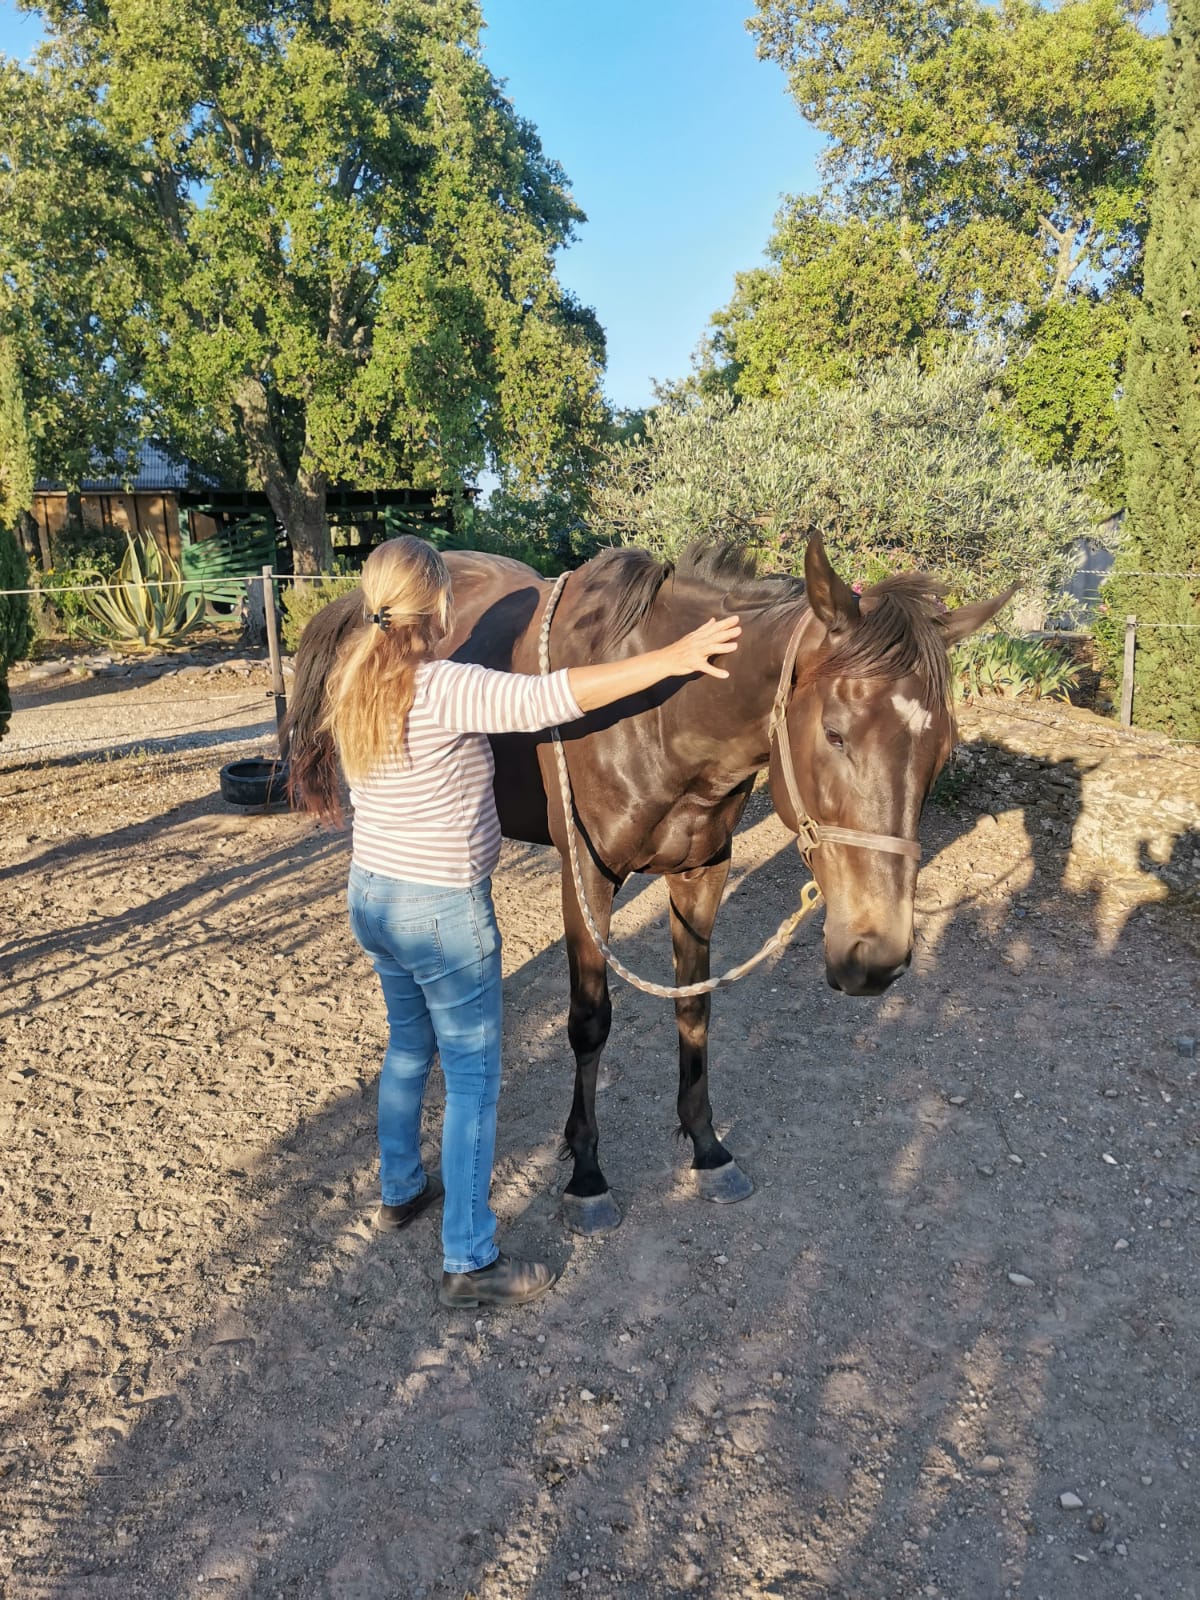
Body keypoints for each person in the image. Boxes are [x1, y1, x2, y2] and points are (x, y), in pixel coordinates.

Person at [312, 536, 740, 1309]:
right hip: (441, 911)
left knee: (409, 1047)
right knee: (474, 1080)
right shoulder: (444, 687)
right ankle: (471, 1260)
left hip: (372, 897)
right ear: (440, 607)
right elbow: (561, 695)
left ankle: (400, 1186)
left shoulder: (351, 680)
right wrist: (676, 657)